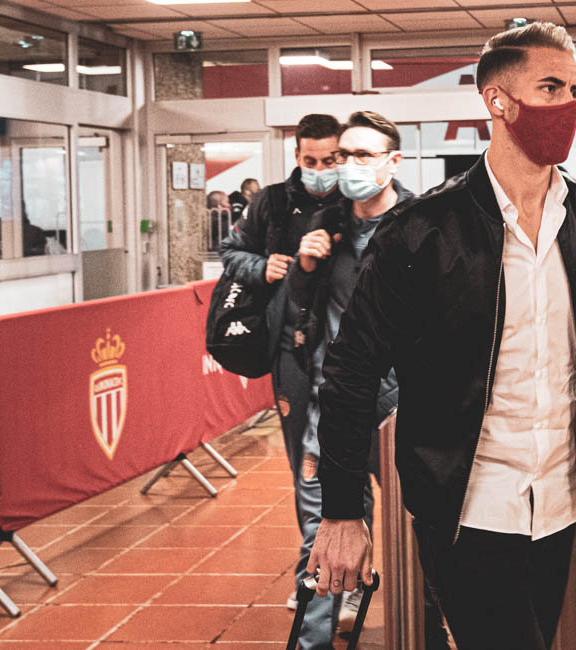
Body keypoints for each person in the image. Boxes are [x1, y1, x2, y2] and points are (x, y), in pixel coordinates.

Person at [305, 22, 576, 650]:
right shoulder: (422, 231)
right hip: (466, 508)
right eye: (550, 88)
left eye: (574, 90)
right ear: (498, 101)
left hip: (559, 504)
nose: (568, 106)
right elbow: (351, 370)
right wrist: (343, 510)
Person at [283, 111, 450, 648]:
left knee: (420, 530)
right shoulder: (326, 222)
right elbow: (298, 305)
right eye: (343, 155)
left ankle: (426, 633)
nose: (348, 165)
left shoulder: (426, 222)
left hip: (406, 403)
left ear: (392, 161)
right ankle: (313, 639)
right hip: (334, 400)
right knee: (323, 528)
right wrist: (305, 268)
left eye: (362, 155)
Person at [218, 113, 344, 648]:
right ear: (297, 156)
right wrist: (262, 267)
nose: (321, 169)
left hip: (352, 352)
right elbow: (230, 253)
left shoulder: (357, 202)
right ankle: (316, 573)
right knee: (307, 473)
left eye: (330, 159)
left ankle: (347, 572)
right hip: (292, 350)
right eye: (311, 160)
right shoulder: (270, 203)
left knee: (359, 468)